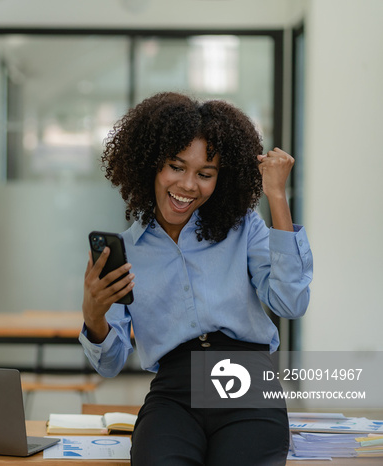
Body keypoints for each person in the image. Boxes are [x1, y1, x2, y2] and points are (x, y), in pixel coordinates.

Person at [79, 92, 313, 465]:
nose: (189, 185)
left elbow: (291, 302)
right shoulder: (125, 251)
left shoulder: (243, 227)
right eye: (176, 167)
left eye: (205, 174)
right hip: (174, 393)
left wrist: (276, 197)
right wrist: (93, 314)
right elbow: (109, 364)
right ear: (150, 166)